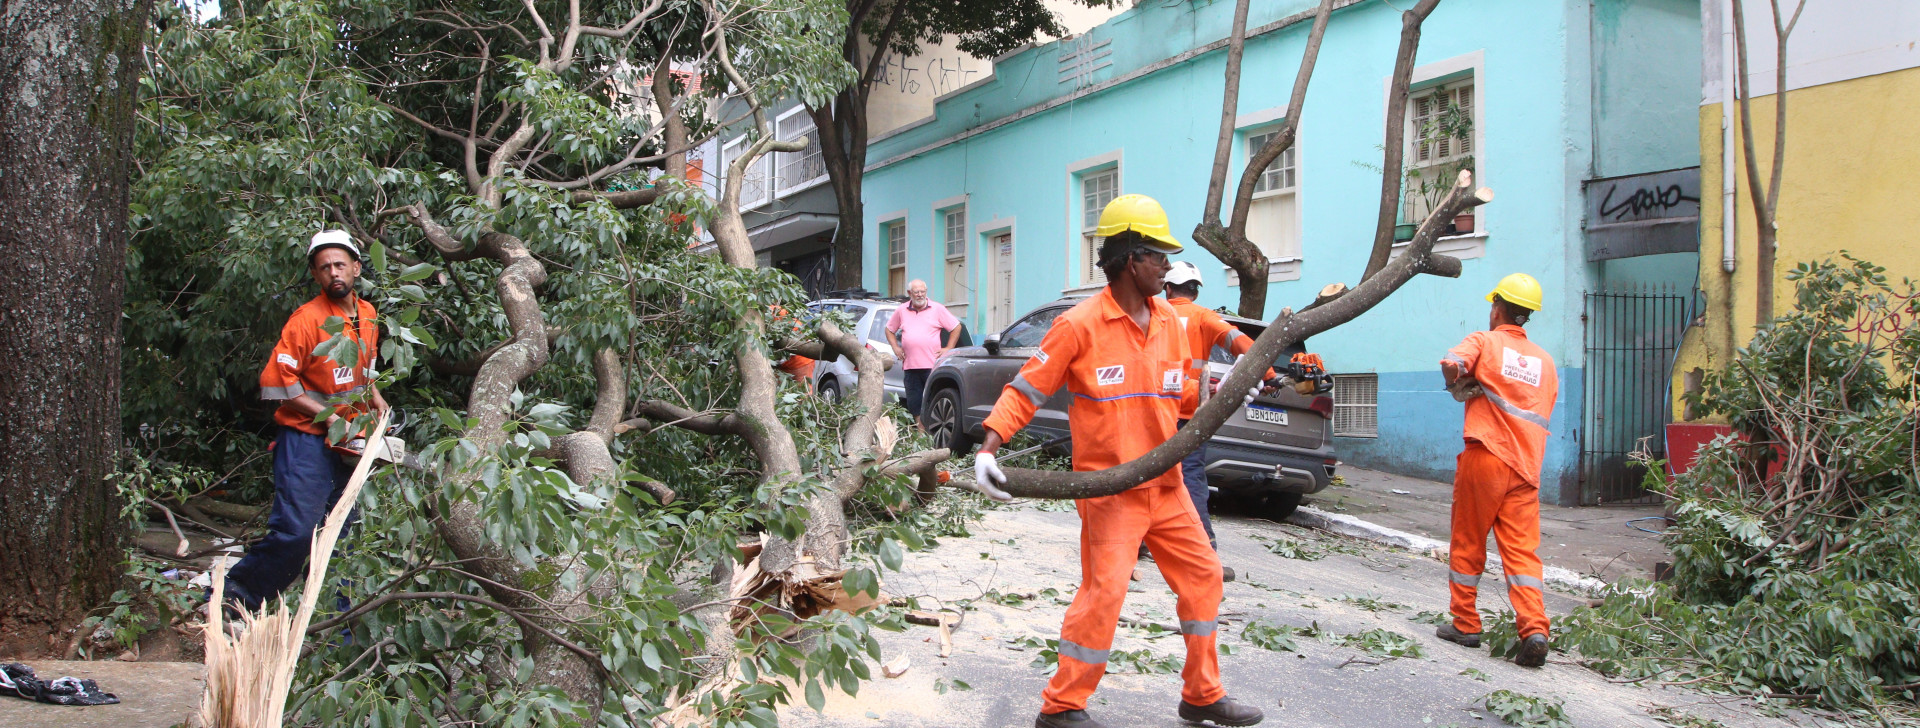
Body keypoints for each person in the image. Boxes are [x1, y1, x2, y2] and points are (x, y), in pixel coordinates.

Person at [973, 194, 1264, 728]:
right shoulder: (1079, 325)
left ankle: (1202, 694)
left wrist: (1225, 395)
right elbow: (1027, 389)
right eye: (1159, 256)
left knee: (1204, 577)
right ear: (1131, 258)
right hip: (1109, 491)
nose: (1167, 268)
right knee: (1104, 592)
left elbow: (1177, 405)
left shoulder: (1173, 324)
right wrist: (989, 448)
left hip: (1168, 485)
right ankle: (1061, 707)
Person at [219, 230, 388, 612]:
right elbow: (279, 382)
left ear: (356, 268)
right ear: (315, 275)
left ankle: (338, 624)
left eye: (340, 264)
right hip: (305, 439)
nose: (333, 273)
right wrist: (327, 416)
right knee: (297, 532)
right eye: (324, 267)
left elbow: (367, 365)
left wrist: (375, 397)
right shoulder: (306, 320)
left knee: (345, 537)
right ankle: (237, 597)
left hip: (349, 441)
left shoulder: (368, 315)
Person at [1433, 272, 1558, 668]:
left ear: (1498, 307)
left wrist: (1458, 381)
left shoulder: (1484, 341)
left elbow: (1450, 363)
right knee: (1522, 553)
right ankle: (1535, 629)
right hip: (1526, 468)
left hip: (1486, 455)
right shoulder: (1546, 361)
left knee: (1469, 539)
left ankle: (1466, 624)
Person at [1156, 261, 1273, 583]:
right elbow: (1241, 343)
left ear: (1167, 287)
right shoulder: (1205, 316)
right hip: (1190, 410)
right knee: (1191, 477)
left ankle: (1137, 542)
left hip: (1154, 409)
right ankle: (1203, 549)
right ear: (1195, 290)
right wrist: (1270, 373)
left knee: (1148, 473)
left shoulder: (1154, 315)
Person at [885, 280, 961, 422]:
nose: (920, 295)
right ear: (909, 293)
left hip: (931, 366)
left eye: (922, 292)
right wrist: (895, 347)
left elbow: (956, 327)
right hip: (910, 366)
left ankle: (927, 434)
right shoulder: (902, 310)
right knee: (914, 403)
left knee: (931, 401)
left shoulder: (937, 309)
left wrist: (949, 348)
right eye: (916, 292)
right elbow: (889, 330)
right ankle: (919, 434)